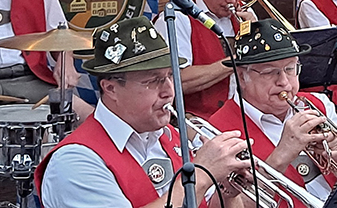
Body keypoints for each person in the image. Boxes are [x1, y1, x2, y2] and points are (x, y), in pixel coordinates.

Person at [35, 17, 251, 208]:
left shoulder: (169, 137)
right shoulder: (74, 162)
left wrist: (227, 190)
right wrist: (201, 175)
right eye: (154, 81)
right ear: (111, 88)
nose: (169, 91)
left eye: (169, 76)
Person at [209, 19, 337, 206]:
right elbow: (222, 204)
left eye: (290, 69)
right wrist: (281, 156)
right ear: (241, 77)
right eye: (271, 72)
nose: (285, 83)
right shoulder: (216, 131)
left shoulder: (319, 104)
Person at [154, 0, 256, 120]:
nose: (232, 0)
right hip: (195, 120)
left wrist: (258, 34)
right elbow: (177, 81)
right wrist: (238, 59)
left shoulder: (245, 13)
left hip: (245, 115)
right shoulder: (176, 19)